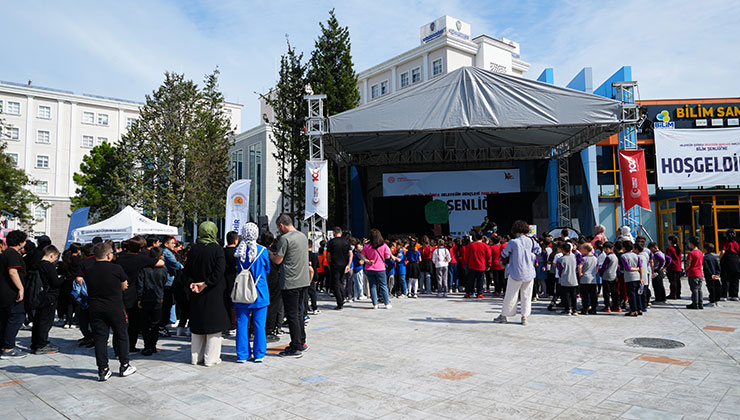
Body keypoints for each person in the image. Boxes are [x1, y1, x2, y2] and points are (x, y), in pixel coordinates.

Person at [85, 242, 136, 381]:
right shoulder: (116, 268)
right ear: (108, 255)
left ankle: (103, 369)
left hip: (95, 307)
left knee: (100, 339)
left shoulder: (88, 270)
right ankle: (124, 365)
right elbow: (125, 285)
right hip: (115, 307)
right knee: (122, 335)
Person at [186, 221, 230, 366]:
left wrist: (193, 283)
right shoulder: (217, 250)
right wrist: (206, 283)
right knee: (213, 327)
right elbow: (219, 271)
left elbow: (187, 271)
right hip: (213, 292)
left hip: (196, 292)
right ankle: (210, 359)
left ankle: (195, 357)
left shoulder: (193, 249)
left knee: (197, 326)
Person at [270, 214, 310, 358]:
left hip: (290, 282)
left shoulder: (285, 239)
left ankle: (295, 346)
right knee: (299, 313)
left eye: (278, 227)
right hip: (303, 280)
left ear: (281, 225)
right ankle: (302, 341)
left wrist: (269, 253)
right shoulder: (302, 236)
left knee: (292, 314)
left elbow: (278, 260)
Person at [115, 236, 163, 353]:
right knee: (134, 324)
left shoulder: (120, 258)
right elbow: (160, 262)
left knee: (120, 324)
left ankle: (118, 349)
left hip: (119, 293)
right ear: (141, 249)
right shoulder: (141, 259)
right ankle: (131, 346)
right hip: (134, 294)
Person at [233, 223, 270, 363]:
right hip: (259, 291)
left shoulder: (239, 251)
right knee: (259, 324)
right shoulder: (263, 251)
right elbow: (267, 269)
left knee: (242, 323)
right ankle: (259, 354)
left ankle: (242, 354)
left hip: (242, 291)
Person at [493, 221, 541, 325]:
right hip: (529, 272)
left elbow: (504, 253)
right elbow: (538, 250)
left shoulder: (513, 242)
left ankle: (504, 316)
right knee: (526, 296)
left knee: (511, 295)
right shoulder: (531, 241)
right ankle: (524, 317)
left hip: (516, 272)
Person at [0, 230, 28, 359]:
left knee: (5, 319)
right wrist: (20, 289)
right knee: (16, 318)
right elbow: (13, 272)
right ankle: (8, 348)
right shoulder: (12, 254)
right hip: (11, 292)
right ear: (20, 242)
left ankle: (4, 345)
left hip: (4, 292)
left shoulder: (5, 253)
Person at [31, 245, 64, 354]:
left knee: (38, 320)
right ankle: (42, 344)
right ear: (51, 255)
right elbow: (55, 282)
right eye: (55, 257)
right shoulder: (48, 266)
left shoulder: (37, 265)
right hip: (49, 296)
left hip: (39, 295)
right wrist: (62, 278)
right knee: (46, 321)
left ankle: (35, 343)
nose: (55, 260)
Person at [137, 247, 168, 356]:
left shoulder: (144, 269)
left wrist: (139, 298)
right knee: (155, 323)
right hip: (157, 297)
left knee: (145, 323)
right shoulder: (163, 269)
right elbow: (164, 282)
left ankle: (147, 345)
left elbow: (140, 284)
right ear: (160, 257)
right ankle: (153, 345)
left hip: (145, 298)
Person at [362, 229, 393, 309]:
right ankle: (386, 303)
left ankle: (375, 304)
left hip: (369, 268)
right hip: (380, 268)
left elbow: (362, 255)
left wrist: (367, 261)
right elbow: (387, 257)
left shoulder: (366, 246)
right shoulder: (384, 245)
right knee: (383, 285)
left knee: (372, 286)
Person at [160, 236, 183, 336]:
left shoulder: (167, 252)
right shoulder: (167, 253)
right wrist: (182, 266)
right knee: (167, 304)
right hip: (168, 282)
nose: (174, 245)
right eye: (172, 243)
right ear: (166, 244)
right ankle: (161, 326)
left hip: (168, 281)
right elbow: (176, 265)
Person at [326, 227, 351, 310]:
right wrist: (348, 264)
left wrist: (329, 264)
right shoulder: (346, 242)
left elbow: (328, 255)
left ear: (334, 233)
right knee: (341, 281)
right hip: (344, 265)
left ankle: (340, 302)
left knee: (335, 284)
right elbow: (350, 254)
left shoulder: (331, 242)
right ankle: (342, 297)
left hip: (335, 265)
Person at [620, 241, 643, 317]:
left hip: (629, 277)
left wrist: (635, 268)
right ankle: (639, 308)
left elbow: (627, 268)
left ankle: (633, 310)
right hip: (637, 276)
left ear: (624, 248)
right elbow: (640, 267)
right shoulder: (636, 255)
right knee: (637, 294)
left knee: (631, 294)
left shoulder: (623, 256)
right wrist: (641, 277)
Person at [465, 231, 491, 299]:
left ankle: (468, 293)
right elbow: (488, 256)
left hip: (471, 265)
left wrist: (466, 263)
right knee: (480, 280)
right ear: (482, 238)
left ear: (475, 237)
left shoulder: (470, 245)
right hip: (481, 266)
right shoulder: (485, 246)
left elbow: (466, 255)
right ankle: (479, 293)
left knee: (470, 280)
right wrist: (489, 264)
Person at [223, 231, 239, 336]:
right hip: (234, 279)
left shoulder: (222, 251)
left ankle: (225, 324)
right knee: (234, 304)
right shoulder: (236, 252)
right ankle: (232, 325)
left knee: (225, 303)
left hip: (223, 279)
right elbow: (237, 267)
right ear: (235, 240)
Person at [555, 242, 578, 316]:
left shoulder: (561, 259)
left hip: (565, 279)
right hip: (574, 279)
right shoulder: (574, 256)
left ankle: (567, 309)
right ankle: (575, 309)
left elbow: (560, 270)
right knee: (574, 295)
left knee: (566, 295)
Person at [598, 242, 620, 312]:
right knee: (614, 292)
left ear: (611, 249)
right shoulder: (615, 257)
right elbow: (618, 267)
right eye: (604, 249)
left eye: (606, 249)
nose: (605, 250)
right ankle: (616, 306)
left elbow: (604, 267)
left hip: (607, 276)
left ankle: (607, 306)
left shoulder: (608, 257)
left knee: (606, 292)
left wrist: (600, 272)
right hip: (613, 275)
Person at [719, 229, 740, 301]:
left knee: (725, 278)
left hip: (727, 260)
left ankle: (724, 295)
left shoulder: (725, 243)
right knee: (735, 279)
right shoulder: (736, 243)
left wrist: (720, 259)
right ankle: (734, 295)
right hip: (735, 260)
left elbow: (723, 251)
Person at [578, 243, 598, 315]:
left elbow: (580, 266)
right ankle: (594, 308)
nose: (581, 251)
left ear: (586, 250)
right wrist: (594, 273)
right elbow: (597, 267)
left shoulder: (583, 258)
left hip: (585, 278)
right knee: (593, 295)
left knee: (585, 295)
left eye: (582, 249)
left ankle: (585, 308)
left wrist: (580, 274)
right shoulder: (595, 258)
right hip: (593, 278)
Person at [685, 236, 705, 310]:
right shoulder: (700, 252)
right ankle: (700, 303)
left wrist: (685, 270)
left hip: (693, 273)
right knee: (699, 289)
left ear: (691, 243)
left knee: (694, 289)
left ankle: (695, 303)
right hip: (700, 272)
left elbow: (689, 264)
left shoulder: (691, 253)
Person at [703, 242, 722, 307]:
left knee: (711, 288)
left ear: (705, 249)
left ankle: (712, 301)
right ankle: (716, 301)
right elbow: (718, 266)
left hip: (710, 276)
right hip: (715, 275)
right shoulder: (713, 257)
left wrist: (710, 274)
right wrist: (717, 274)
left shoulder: (705, 257)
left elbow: (706, 267)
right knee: (716, 288)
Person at [665, 235, 682, 299]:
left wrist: (666, 266)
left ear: (670, 241)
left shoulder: (669, 249)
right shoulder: (678, 248)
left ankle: (673, 294)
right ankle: (678, 294)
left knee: (672, 282)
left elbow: (668, 258)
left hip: (672, 267)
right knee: (677, 281)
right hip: (678, 266)